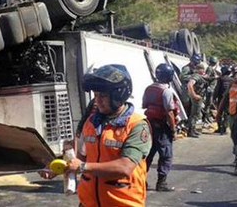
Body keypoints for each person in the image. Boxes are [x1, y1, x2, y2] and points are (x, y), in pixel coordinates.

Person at [43, 64, 151, 206]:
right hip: (89, 202)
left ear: (119, 95)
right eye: (95, 95)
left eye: (103, 96)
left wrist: (82, 167)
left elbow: (125, 167)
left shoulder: (137, 125)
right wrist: (57, 167)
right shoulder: (91, 122)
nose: (97, 101)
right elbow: (79, 157)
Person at [142, 64, 177, 192]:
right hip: (162, 127)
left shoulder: (149, 89)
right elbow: (169, 113)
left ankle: (141, 181)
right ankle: (161, 183)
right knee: (166, 155)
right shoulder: (166, 91)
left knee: (148, 154)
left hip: (149, 124)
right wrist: (173, 130)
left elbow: (144, 104)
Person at [186, 62, 207, 138]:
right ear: (199, 69)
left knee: (195, 114)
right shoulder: (196, 76)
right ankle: (191, 131)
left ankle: (193, 129)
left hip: (197, 97)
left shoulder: (198, 76)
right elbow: (190, 84)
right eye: (202, 69)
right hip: (196, 98)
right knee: (194, 114)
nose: (204, 70)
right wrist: (194, 95)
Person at [213, 65, 233, 135]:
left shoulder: (220, 79)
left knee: (219, 113)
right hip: (229, 99)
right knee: (227, 114)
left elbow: (217, 89)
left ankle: (219, 128)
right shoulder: (232, 80)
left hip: (221, 98)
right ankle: (224, 128)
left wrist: (214, 97)